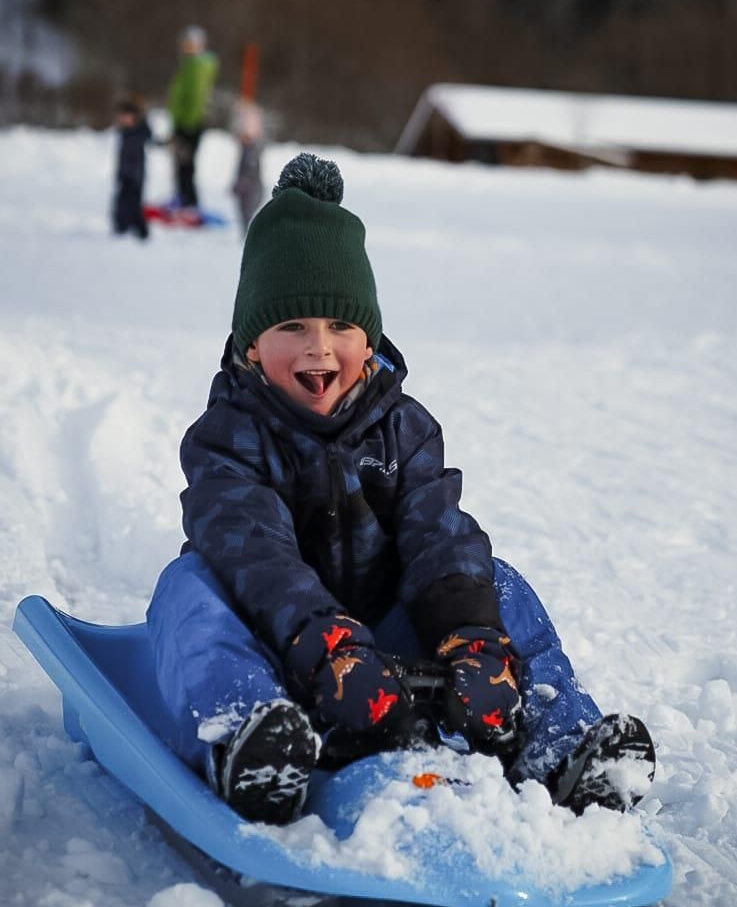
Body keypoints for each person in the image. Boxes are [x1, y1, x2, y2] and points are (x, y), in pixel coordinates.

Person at [147, 153, 656, 826]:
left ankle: (558, 747)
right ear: (249, 348)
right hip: (276, 642)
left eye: (340, 328)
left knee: (495, 582)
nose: (318, 350)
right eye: (290, 327)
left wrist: (472, 641)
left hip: (385, 643)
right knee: (189, 589)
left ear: (370, 339)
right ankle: (252, 741)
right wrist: (326, 644)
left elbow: (437, 534)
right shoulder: (227, 438)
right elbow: (256, 555)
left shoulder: (403, 429)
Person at [167, 25, 219, 210]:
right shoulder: (188, 64)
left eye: (190, 43)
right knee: (181, 163)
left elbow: (196, 96)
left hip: (190, 124)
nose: (186, 46)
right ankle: (184, 197)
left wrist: (187, 124)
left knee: (185, 164)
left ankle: (188, 201)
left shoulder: (197, 66)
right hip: (183, 122)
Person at [112, 95, 151, 240]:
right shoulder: (126, 132)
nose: (121, 119)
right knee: (122, 204)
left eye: (124, 116)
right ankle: (122, 228)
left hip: (135, 177)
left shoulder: (139, 132)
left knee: (133, 206)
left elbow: (148, 135)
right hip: (125, 175)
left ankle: (140, 232)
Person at [231, 96, 264, 236]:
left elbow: (250, 172)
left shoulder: (251, 151)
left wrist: (241, 185)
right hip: (245, 191)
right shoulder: (246, 149)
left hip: (250, 192)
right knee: (243, 214)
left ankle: (247, 233)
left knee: (247, 213)